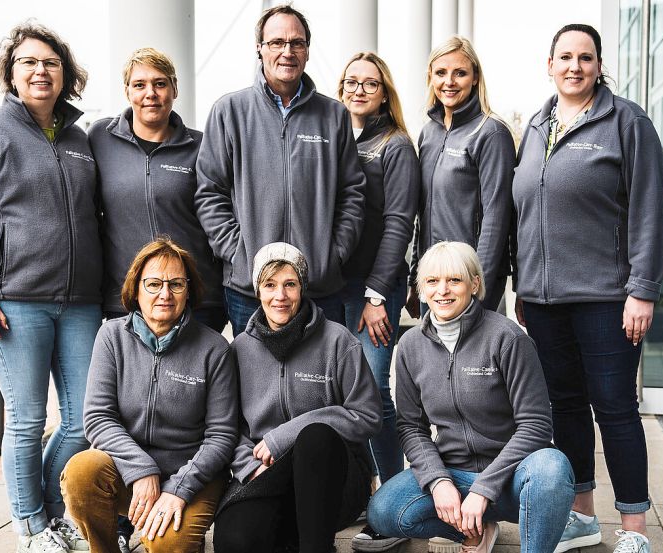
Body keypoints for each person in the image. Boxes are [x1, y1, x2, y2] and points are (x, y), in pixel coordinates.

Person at [511, 24, 663, 553]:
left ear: (600, 65)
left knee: (615, 408)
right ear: (549, 65)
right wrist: (523, 284)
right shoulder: (537, 126)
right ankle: (582, 516)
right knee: (565, 408)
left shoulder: (627, 122)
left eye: (585, 57)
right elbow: (524, 212)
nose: (574, 66)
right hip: (544, 301)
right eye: (565, 57)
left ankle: (635, 530)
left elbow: (651, 210)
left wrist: (642, 289)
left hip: (607, 298)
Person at [0, 22, 100, 553]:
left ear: (65, 74)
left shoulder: (80, 140)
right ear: (11, 74)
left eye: (51, 62)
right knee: (28, 419)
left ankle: (53, 513)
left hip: (81, 302)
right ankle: (31, 528)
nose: (40, 71)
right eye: (28, 62)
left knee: (84, 420)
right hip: (16, 302)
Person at [367, 241, 573, 553]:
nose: (442, 291)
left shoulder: (508, 338)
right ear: (421, 288)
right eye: (432, 281)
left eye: (454, 280)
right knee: (383, 510)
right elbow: (411, 426)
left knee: (552, 469)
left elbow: (536, 425)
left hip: (514, 477)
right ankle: (473, 530)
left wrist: (484, 488)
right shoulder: (410, 346)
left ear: (474, 284)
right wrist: (438, 481)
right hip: (455, 475)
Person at [195, 4, 366, 336]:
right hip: (251, 290)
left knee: (325, 370)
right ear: (259, 48)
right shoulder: (229, 112)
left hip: (319, 287)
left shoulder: (334, 116)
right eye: (276, 42)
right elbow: (210, 193)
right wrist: (240, 255)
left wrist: (332, 255)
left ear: (307, 51)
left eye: (296, 43)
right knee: (253, 370)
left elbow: (353, 194)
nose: (287, 51)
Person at [61, 238, 238, 553]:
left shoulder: (214, 349)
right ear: (136, 289)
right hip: (128, 470)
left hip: (193, 476)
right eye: (154, 284)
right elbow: (98, 417)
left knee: (167, 544)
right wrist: (142, 469)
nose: (165, 294)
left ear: (189, 291)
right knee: (81, 473)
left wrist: (180, 488)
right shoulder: (111, 337)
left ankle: (184, 536)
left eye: (176, 284)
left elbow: (222, 436)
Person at [213, 242, 381, 553]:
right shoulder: (239, 350)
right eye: (270, 285)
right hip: (265, 472)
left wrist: (285, 435)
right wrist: (248, 466)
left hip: (333, 480)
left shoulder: (338, 341)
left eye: (290, 284)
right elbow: (226, 426)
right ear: (258, 291)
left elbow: (368, 415)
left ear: (302, 287)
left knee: (315, 437)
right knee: (234, 541)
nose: (280, 295)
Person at [333, 51, 420, 552]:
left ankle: (393, 503)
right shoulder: (337, 139)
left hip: (374, 291)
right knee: (344, 396)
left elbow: (398, 223)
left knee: (372, 394)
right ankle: (362, 493)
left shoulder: (395, 146)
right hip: (332, 287)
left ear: (385, 92)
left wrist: (376, 293)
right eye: (351, 82)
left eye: (370, 83)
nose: (359, 90)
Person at [90, 47, 226, 333]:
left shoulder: (202, 147)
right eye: (139, 85)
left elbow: (221, 212)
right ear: (127, 91)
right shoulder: (100, 139)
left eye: (160, 83)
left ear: (175, 89)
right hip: (126, 302)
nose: (150, 93)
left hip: (195, 301)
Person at [406, 36, 516, 317]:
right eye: (441, 73)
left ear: (475, 77)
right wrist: (416, 279)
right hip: (434, 280)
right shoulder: (428, 134)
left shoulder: (491, 133)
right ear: (430, 77)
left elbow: (497, 217)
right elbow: (423, 214)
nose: (449, 82)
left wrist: (479, 286)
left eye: (460, 73)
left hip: (470, 282)